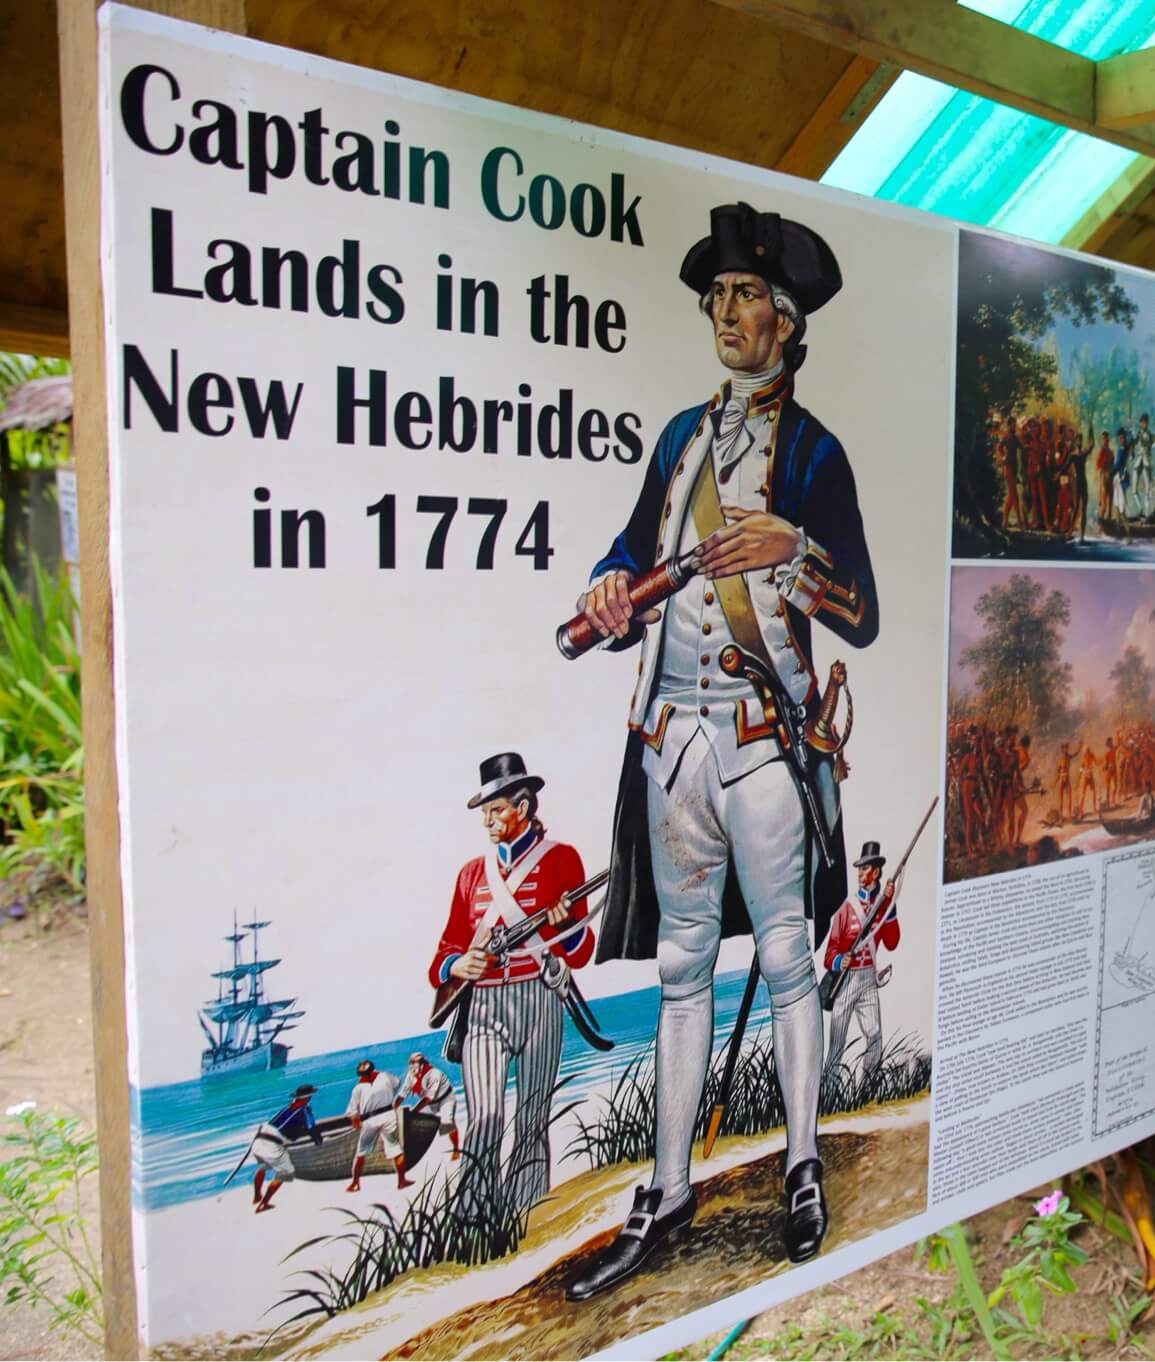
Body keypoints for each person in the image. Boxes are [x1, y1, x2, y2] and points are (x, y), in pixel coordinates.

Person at [569, 201, 878, 1298]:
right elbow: (633, 542)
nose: (726, 311)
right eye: (718, 297)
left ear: (787, 322)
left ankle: (799, 1162)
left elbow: (861, 614)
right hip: (672, 739)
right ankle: (666, 1187)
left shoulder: (813, 451)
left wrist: (793, 551)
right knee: (680, 968)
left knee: (787, 957)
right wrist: (609, 585)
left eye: (746, 295)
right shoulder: (679, 438)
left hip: (759, 735)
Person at [428, 752, 592, 1210]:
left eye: (496, 810)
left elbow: (581, 951)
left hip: (539, 999)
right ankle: (474, 1217)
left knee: (533, 1115)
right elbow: (442, 956)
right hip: (482, 1008)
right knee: (484, 1115)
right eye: (485, 812)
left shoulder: (562, 860)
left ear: (523, 808)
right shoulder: (471, 876)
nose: (488, 821)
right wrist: (457, 966)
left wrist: (561, 927)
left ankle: (527, 1216)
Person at [822, 841, 901, 1092]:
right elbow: (830, 953)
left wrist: (888, 907)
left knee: (874, 1035)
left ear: (875, 872)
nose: (859, 873)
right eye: (859, 869)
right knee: (837, 1042)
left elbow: (892, 942)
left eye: (864, 868)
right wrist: (839, 961)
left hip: (868, 980)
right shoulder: (847, 908)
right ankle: (830, 1095)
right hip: (846, 980)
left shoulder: (883, 907)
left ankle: (867, 1090)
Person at [249, 1083, 319, 1214]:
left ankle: (257, 1196)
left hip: (259, 1139)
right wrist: (318, 1142)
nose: (310, 1099)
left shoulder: (285, 1108)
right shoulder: (304, 1110)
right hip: (272, 1142)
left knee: (263, 1167)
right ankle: (263, 1204)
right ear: (307, 1098)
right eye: (310, 1097)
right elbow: (312, 1129)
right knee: (286, 1173)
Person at [344, 1059, 406, 1193]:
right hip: (388, 1115)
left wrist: (356, 1123)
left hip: (370, 1119)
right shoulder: (384, 1076)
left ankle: (355, 1183)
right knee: (395, 1148)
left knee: (361, 1153)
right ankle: (401, 1181)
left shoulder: (358, 1088)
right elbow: (397, 1083)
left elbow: (353, 1112)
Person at [404, 1052, 461, 1162]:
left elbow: (428, 1098)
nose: (411, 1066)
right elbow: (403, 1094)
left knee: (447, 1123)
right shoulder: (410, 1076)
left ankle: (456, 1149)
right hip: (430, 1103)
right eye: (410, 1063)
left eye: (414, 1063)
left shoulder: (434, 1074)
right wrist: (395, 1106)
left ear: (422, 1064)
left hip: (445, 1098)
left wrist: (415, 1110)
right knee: (413, 1122)